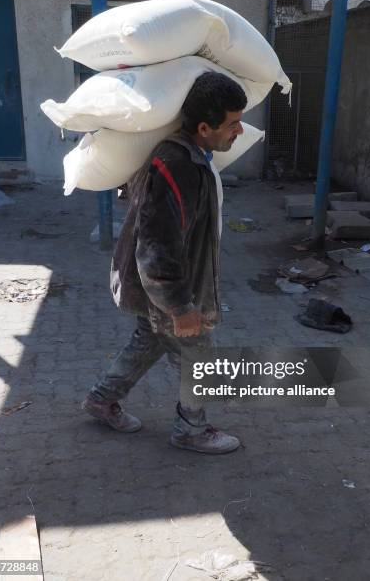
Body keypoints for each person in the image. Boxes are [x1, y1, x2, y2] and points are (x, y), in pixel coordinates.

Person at [82, 72, 247, 454]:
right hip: (169, 288)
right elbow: (157, 245)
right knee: (198, 355)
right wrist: (181, 307)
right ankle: (190, 428)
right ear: (204, 127)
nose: (239, 131)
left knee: (148, 340)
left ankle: (101, 399)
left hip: (160, 286)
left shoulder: (191, 155)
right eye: (233, 124)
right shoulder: (178, 166)